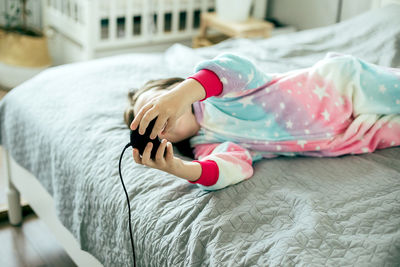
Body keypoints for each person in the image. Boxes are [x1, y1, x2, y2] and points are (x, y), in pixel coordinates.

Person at [124, 52, 400, 191]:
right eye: (147, 122)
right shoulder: (206, 147)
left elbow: (235, 67)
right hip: (348, 136)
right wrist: (178, 168)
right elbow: (231, 170)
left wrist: (181, 95)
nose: (157, 117)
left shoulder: (218, 91)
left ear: (175, 90)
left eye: (156, 105)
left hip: (341, 87)